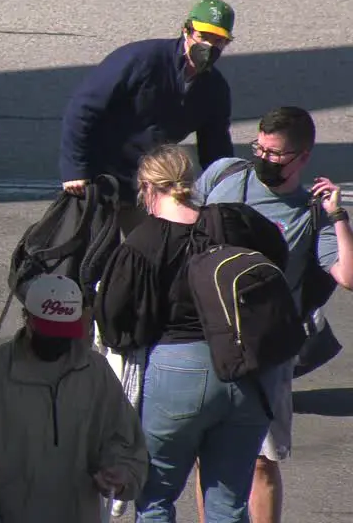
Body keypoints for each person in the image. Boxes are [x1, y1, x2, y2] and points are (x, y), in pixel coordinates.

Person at [95, 145, 290, 522]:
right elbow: (278, 261)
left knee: (155, 499)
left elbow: (115, 325)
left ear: (148, 189)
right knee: (229, 502)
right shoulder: (236, 223)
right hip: (247, 370)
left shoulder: (142, 243)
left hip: (177, 370)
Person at [189, 106, 353, 523]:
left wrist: (337, 215)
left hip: (267, 355)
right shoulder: (224, 174)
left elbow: (347, 276)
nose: (262, 158)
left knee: (261, 463)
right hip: (205, 339)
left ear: (303, 157)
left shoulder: (309, 212)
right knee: (207, 455)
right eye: (258, 147)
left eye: (275, 153)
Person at [0, 273, 148, 523]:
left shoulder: (96, 374)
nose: (56, 341)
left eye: (64, 333)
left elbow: (124, 440)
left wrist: (120, 473)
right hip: (5, 513)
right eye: (49, 332)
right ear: (27, 319)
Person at [58, 0, 237, 234]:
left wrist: (227, 186)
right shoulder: (139, 60)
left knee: (148, 255)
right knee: (89, 257)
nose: (209, 47)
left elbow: (215, 146)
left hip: (147, 185)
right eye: (203, 37)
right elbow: (83, 109)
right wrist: (75, 170)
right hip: (97, 178)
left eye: (218, 41)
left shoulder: (214, 89)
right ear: (186, 31)